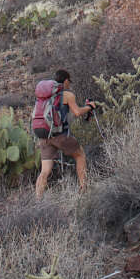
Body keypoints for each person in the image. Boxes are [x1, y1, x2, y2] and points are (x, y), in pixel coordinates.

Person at [35, 69, 95, 197]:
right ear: (66, 81)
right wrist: (89, 107)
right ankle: (84, 190)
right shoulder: (67, 95)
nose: (69, 84)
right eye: (69, 81)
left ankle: (37, 200)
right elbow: (77, 112)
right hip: (60, 135)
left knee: (44, 171)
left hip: (45, 135)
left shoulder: (45, 96)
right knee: (80, 155)